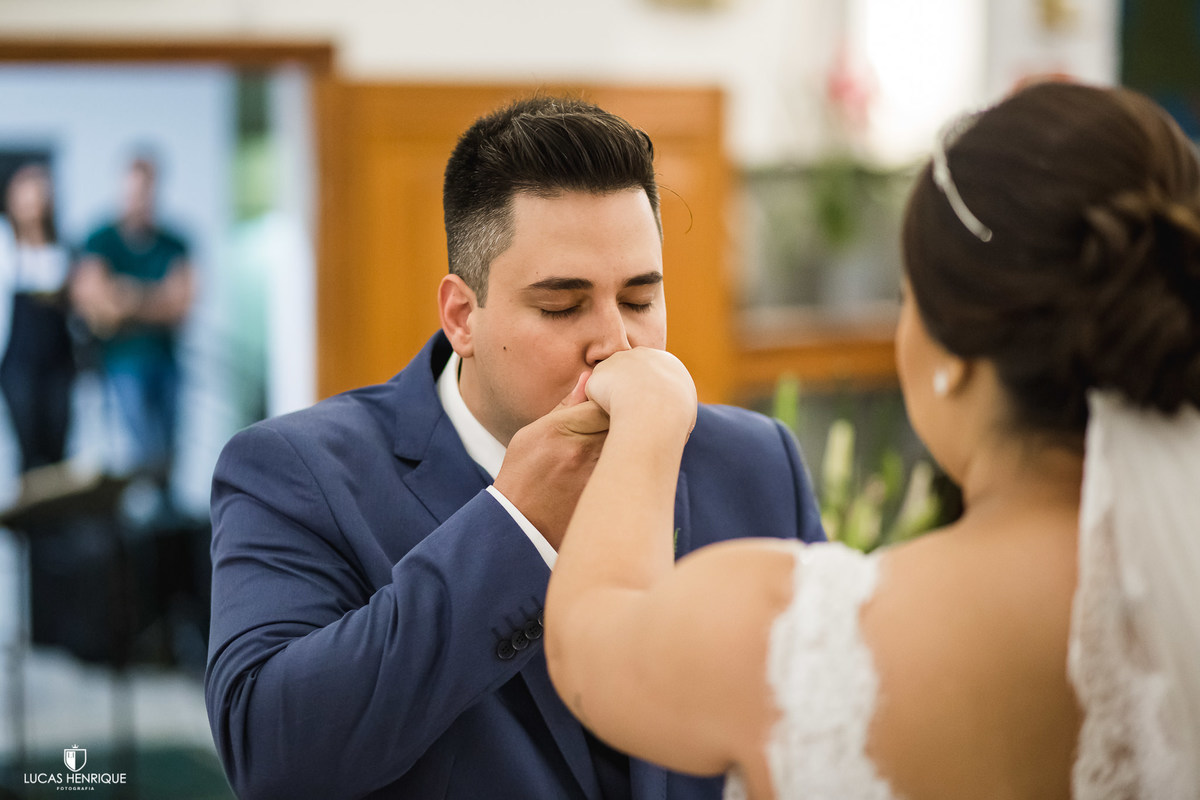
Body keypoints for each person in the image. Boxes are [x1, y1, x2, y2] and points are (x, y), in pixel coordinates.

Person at [544, 81, 1200, 799]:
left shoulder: (793, 634)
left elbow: (586, 632)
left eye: (905, 298)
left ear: (954, 354)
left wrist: (649, 413)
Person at [205, 96, 825, 800]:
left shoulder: (755, 463)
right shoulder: (294, 474)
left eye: (639, 299)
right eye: (563, 306)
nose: (615, 342)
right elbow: (271, 755)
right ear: (463, 317)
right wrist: (517, 525)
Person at [70, 155, 194, 479]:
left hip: (166, 360)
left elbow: (180, 305)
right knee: (137, 450)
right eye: (132, 191)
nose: (138, 199)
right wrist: (156, 296)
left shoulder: (175, 243)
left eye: (145, 191)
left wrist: (126, 295)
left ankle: (165, 521)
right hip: (122, 362)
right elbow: (95, 304)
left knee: (169, 451)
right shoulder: (101, 239)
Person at [0, 163, 76, 473]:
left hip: (59, 367)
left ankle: (54, 520)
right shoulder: (5, 247)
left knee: (58, 451)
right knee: (28, 450)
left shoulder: (64, 249)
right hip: (19, 366)